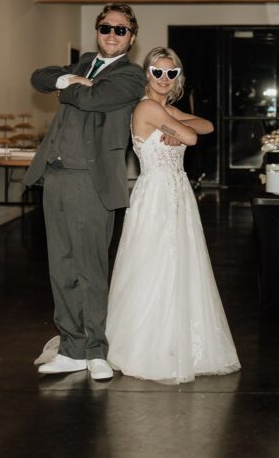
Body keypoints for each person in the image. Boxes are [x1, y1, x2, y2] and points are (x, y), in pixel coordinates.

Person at [25, 4, 146, 381]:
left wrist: (73, 86)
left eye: (121, 30)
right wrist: (70, 81)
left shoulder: (131, 75)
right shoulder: (83, 65)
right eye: (105, 27)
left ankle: (97, 351)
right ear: (97, 31)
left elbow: (94, 100)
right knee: (61, 267)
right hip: (55, 176)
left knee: (90, 268)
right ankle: (72, 348)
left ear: (132, 37)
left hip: (90, 181)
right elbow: (39, 77)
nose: (112, 34)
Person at [106, 46, 240, 384]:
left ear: (177, 78)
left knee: (179, 265)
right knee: (154, 265)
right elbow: (194, 137)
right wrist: (178, 125)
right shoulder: (147, 106)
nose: (164, 79)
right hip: (156, 194)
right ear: (147, 75)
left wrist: (175, 122)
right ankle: (149, 345)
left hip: (177, 194)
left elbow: (207, 125)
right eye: (158, 72)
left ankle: (174, 342)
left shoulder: (165, 109)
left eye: (171, 73)